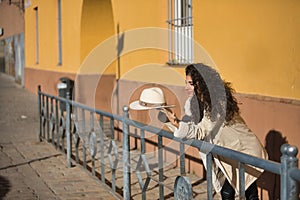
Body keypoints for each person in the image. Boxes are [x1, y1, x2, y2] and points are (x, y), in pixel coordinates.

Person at [162, 63, 268, 200]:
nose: (186, 87)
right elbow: (189, 127)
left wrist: (176, 123)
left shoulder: (217, 102)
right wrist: (169, 121)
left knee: (237, 192)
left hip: (243, 149)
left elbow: (201, 131)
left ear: (201, 84)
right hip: (229, 153)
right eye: (186, 83)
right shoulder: (194, 103)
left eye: (190, 83)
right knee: (244, 190)